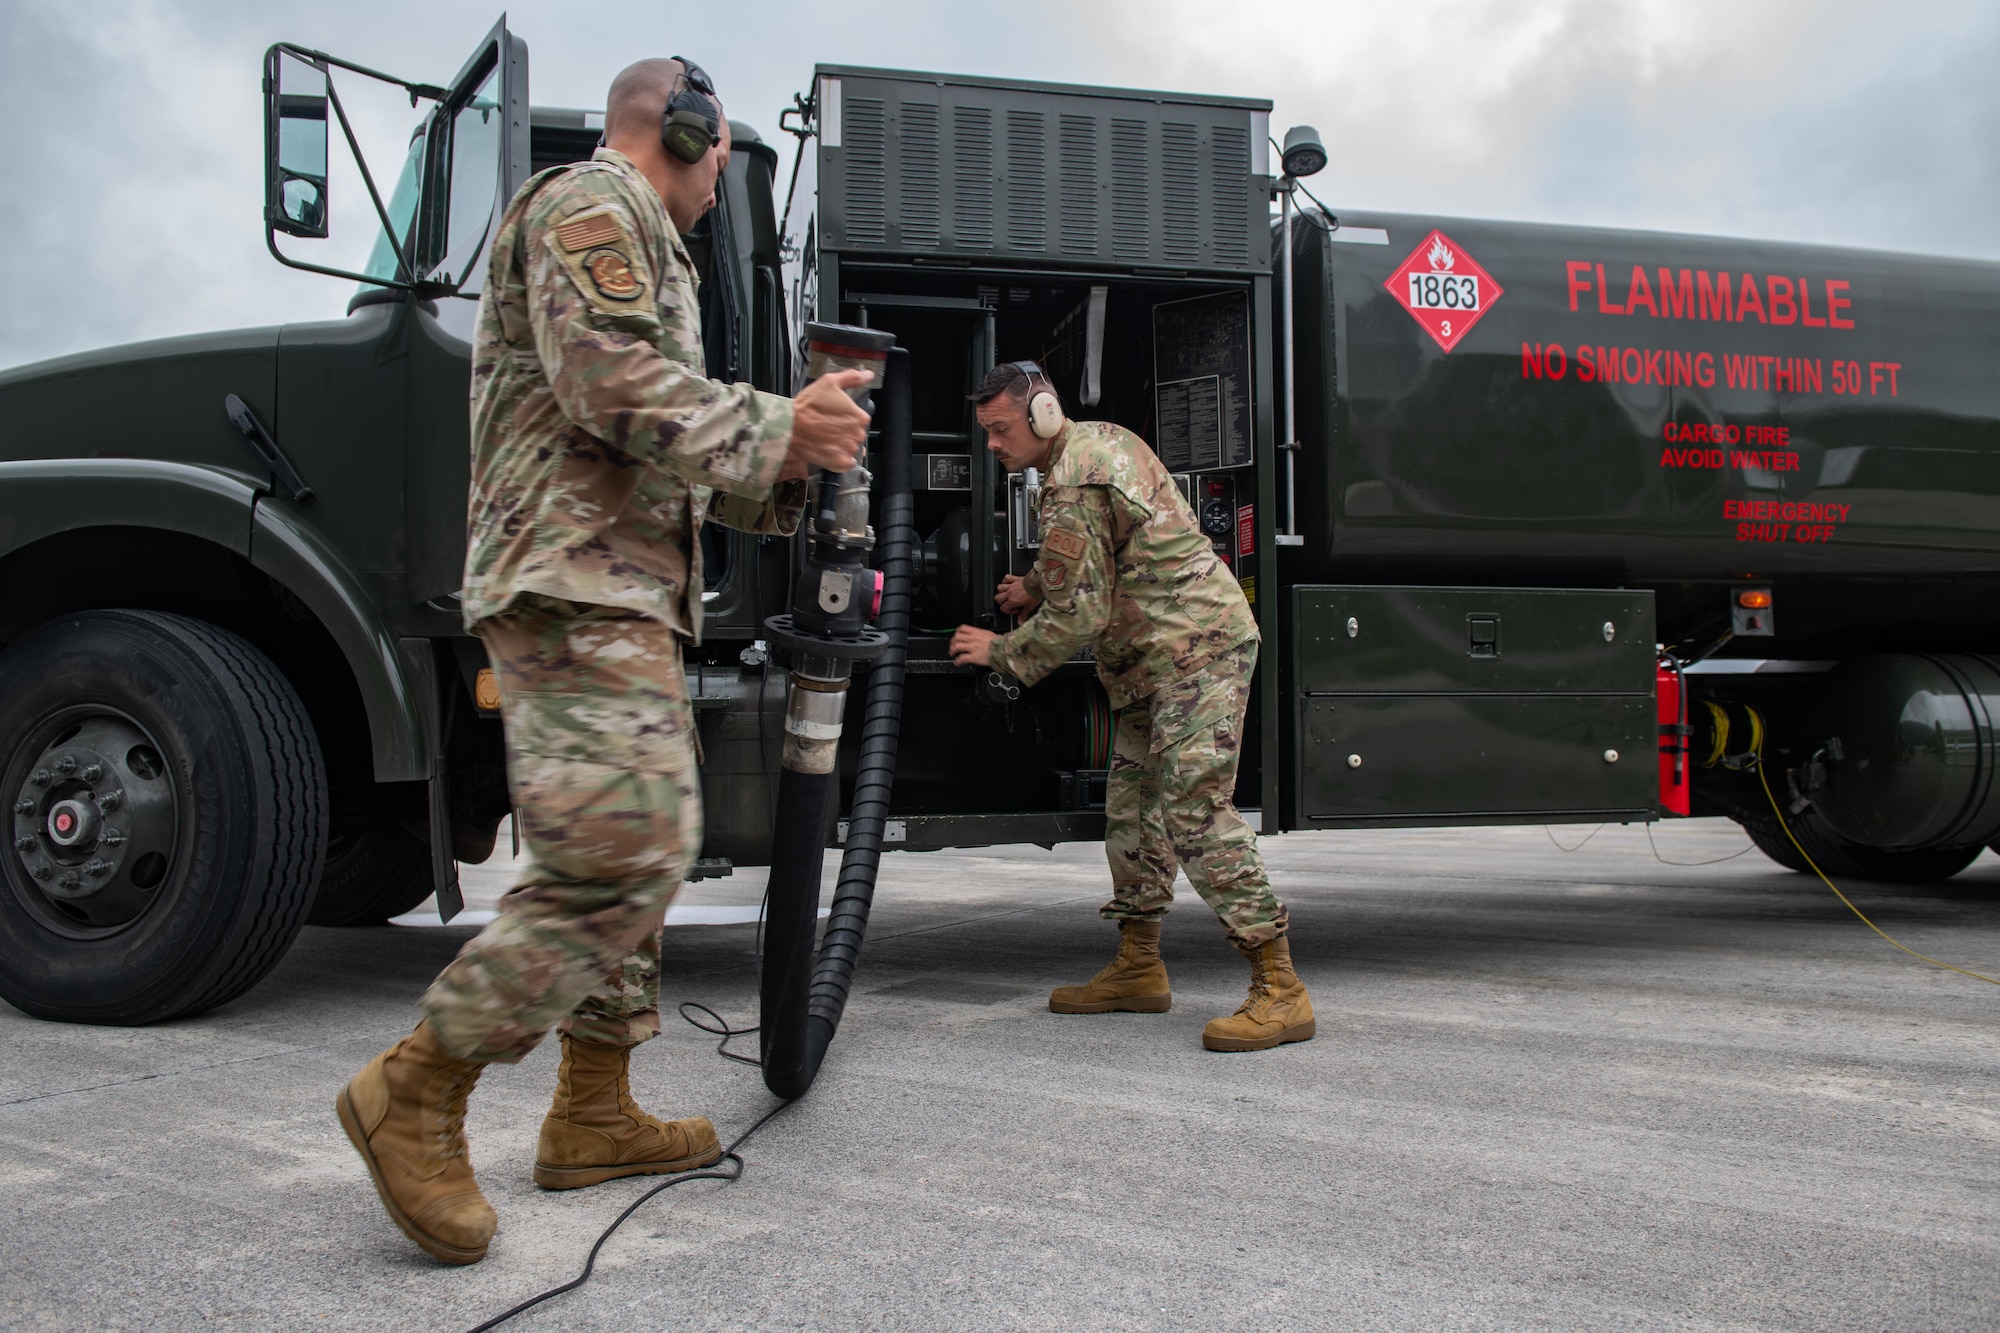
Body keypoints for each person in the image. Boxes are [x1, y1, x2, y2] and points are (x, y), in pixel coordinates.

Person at [335, 57, 872, 1266]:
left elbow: (651, 438)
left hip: (618, 585)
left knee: (633, 847)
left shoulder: (650, 247)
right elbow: (611, 386)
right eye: (721, 154)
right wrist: (781, 426)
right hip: (575, 581)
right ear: (678, 130)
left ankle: (591, 1111)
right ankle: (415, 1087)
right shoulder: (592, 204)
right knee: (628, 845)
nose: (719, 178)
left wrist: (793, 476)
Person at [948, 363, 1314, 1056]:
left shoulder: (1075, 477)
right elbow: (1097, 553)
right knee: (1134, 806)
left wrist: (1002, 651)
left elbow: (1081, 609)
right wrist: (1031, 585)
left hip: (1194, 649)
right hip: (1150, 663)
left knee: (1192, 804)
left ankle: (1281, 986)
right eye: (986, 432)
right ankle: (1139, 966)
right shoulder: (1094, 445)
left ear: (1045, 414)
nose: (993, 444)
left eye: (1000, 429)